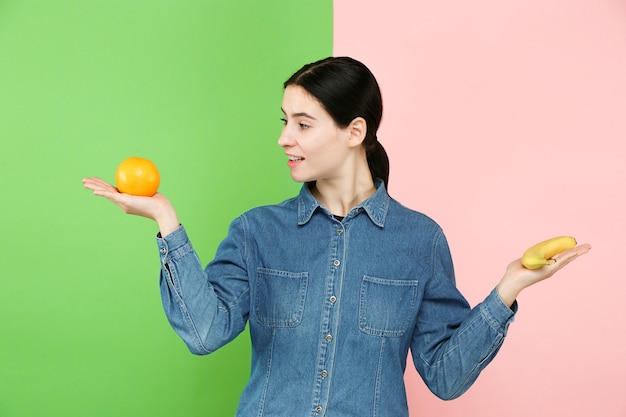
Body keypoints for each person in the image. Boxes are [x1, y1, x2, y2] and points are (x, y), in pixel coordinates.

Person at [83, 56, 591, 417]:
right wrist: (165, 220)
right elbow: (203, 332)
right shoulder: (257, 231)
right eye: (285, 122)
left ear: (354, 132)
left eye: (303, 124)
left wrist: (508, 289)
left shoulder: (420, 240)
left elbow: (445, 377)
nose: (285, 138)